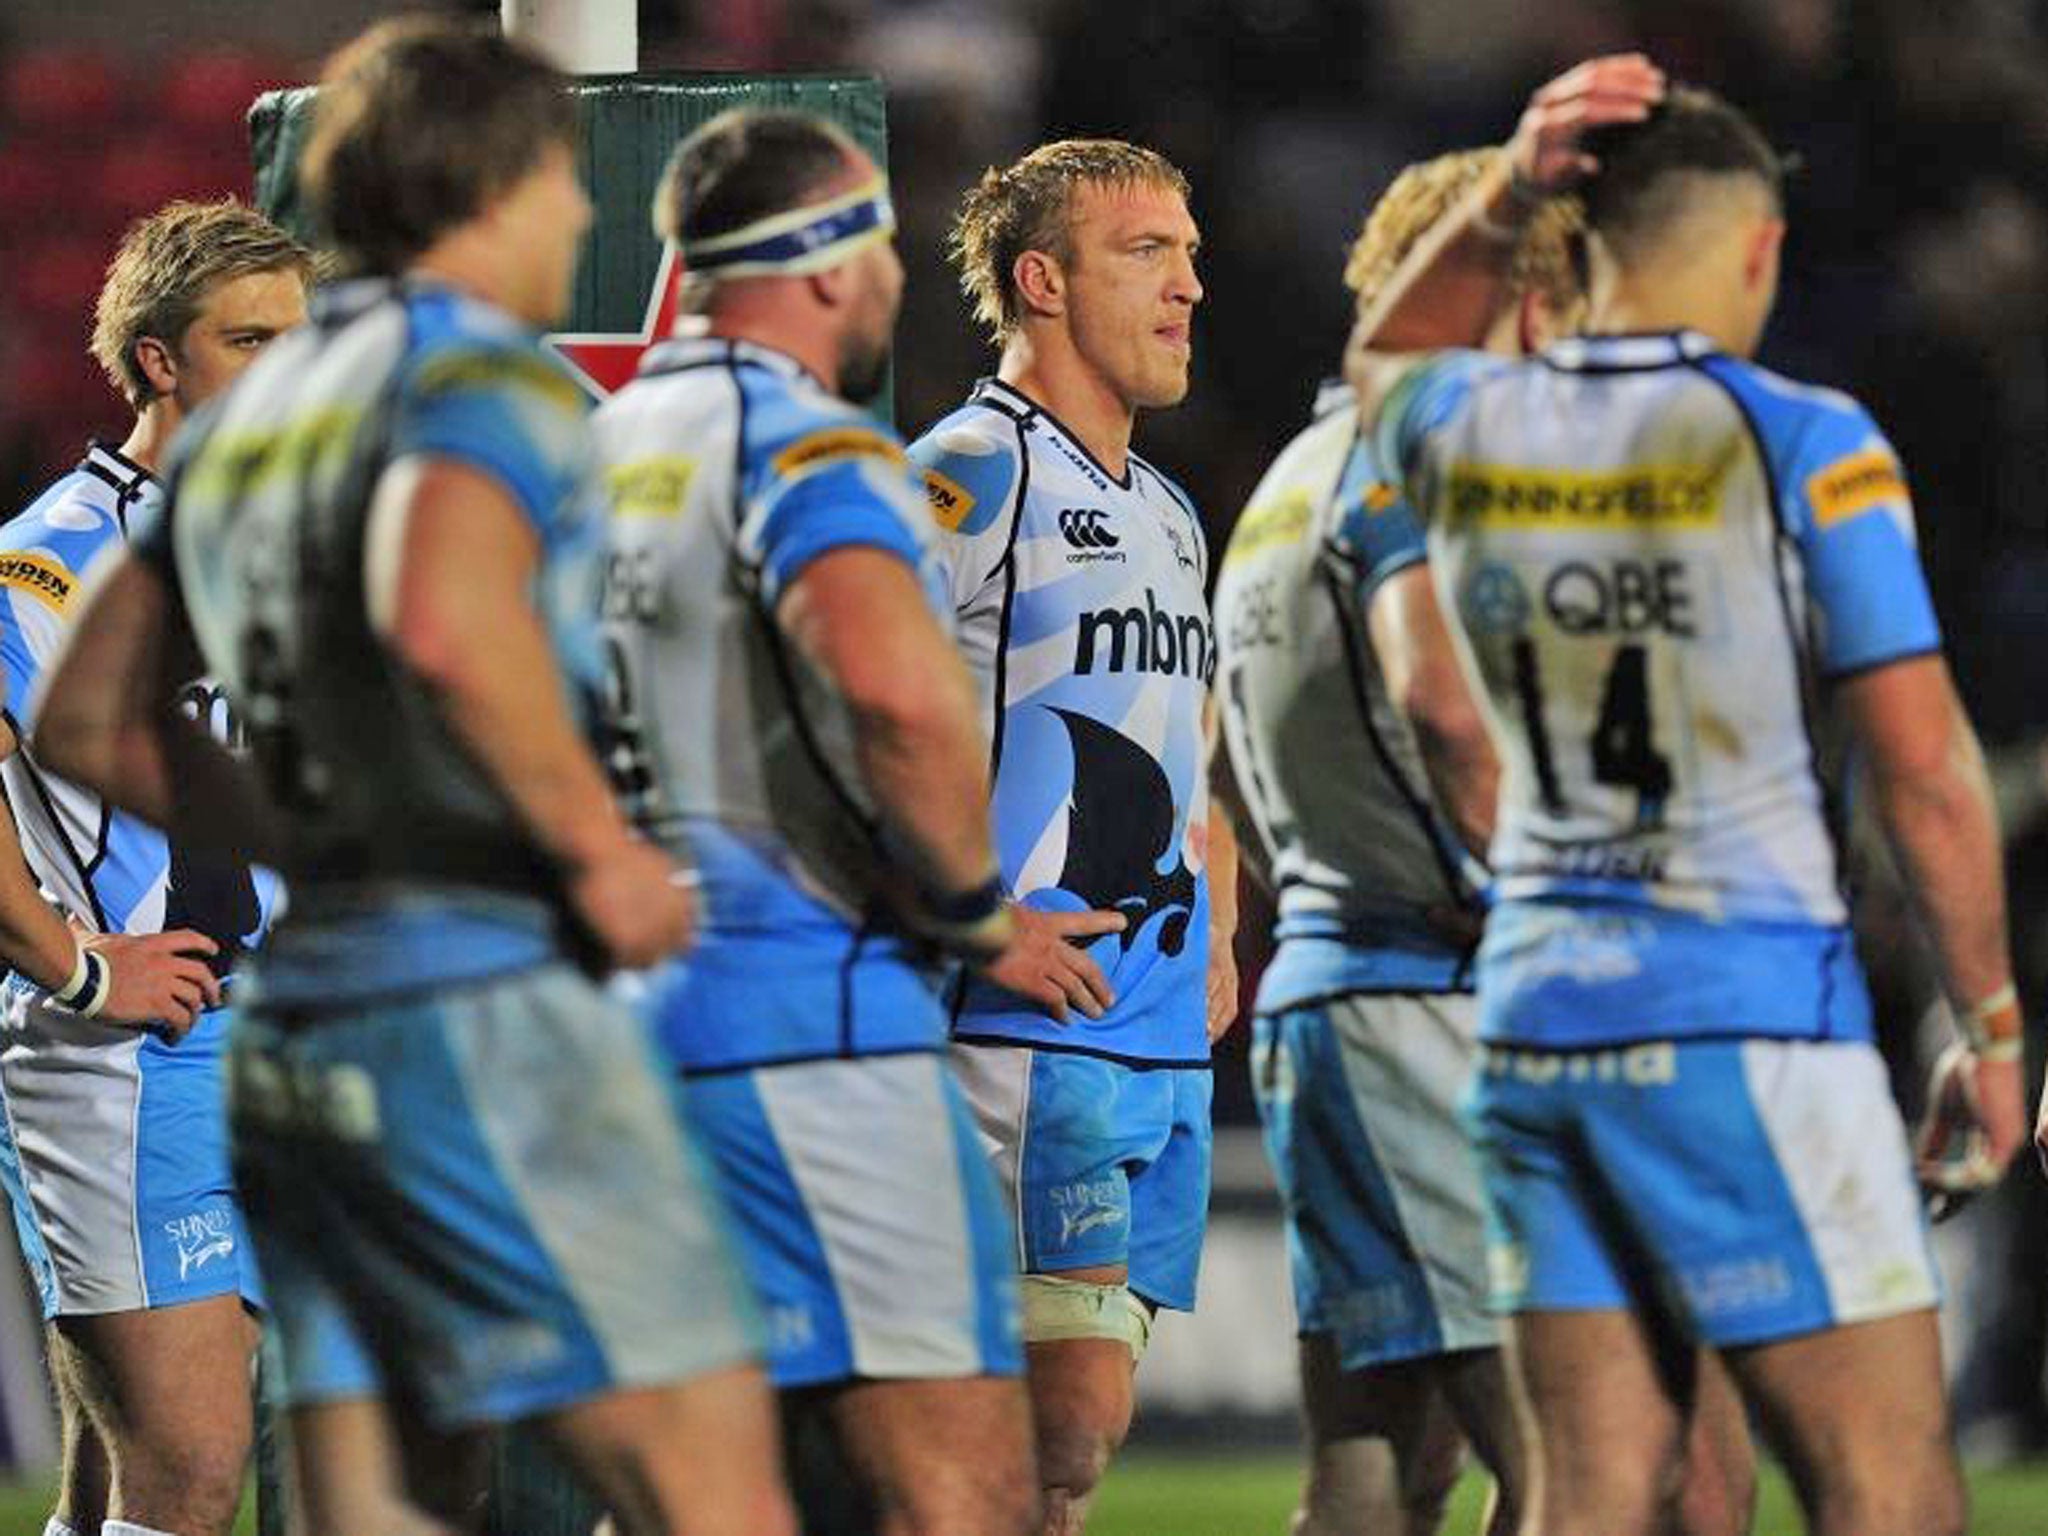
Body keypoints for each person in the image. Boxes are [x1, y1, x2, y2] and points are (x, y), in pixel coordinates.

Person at [30, 20, 793, 1536]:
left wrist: (326, 848)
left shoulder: (252, 435)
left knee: (383, 1500)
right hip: (472, 1011)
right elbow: (448, 618)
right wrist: (591, 852)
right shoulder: (476, 385)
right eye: (565, 184)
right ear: (492, 183)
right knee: (711, 1482)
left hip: (297, 1026)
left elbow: (90, 719)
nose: (582, 217)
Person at [1352, 56, 2026, 1536]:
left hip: (1537, 1021)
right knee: (1888, 1482)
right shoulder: (1802, 440)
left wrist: (1507, 184)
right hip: (1745, 1016)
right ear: (1759, 245)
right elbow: (1921, 764)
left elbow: (1380, 360)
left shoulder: (1469, 424)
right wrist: (1987, 1023)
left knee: (1590, 1492)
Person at [589, 107, 1129, 1536]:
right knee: (961, 1490)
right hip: (807, 1027)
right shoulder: (810, 448)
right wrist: (967, 909)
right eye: (883, 242)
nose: (894, 275)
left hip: (620, 1027)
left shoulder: (591, 447)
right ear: (829, 263)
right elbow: (896, 692)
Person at [1219, 137, 1755, 1536]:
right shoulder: (1413, 470)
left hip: (1343, 1001)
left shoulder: (1289, 475)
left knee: (1378, 1478)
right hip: (1439, 1008)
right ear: (1525, 300)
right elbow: (1449, 714)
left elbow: (1235, 771)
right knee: (1636, 1470)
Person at [908, 138, 1238, 1536]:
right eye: (1146, 253)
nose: (1189, 288)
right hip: (1023, 1032)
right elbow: (846, 724)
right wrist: (975, 915)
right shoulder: (971, 476)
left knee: (1063, 1463)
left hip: (1159, 1034)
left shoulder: (1167, 512)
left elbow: (1190, 752)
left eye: (1191, 252)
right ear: (1041, 282)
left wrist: (1219, 918)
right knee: (1060, 1426)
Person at [0, 197, 310, 1536]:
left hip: (277, 1046)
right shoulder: (53, 556)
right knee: (189, 1469)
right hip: (135, 1063)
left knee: (127, 1474)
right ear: (161, 361)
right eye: (251, 341)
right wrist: (76, 970)